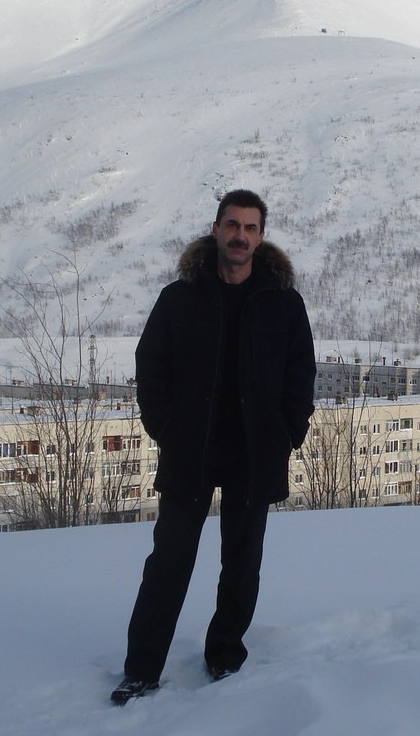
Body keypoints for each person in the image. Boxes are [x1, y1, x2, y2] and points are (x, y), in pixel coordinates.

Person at [111, 189, 316, 705]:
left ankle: (224, 656)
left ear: (261, 236)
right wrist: (165, 427)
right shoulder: (179, 298)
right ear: (216, 229)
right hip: (191, 453)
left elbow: (301, 376)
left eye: (250, 227)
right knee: (169, 563)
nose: (239, 236)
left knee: (242, 565)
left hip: (254, 453)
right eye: (232, 225)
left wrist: (287, 434)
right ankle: (142, 670)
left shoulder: (283, 304)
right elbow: (150, 365)